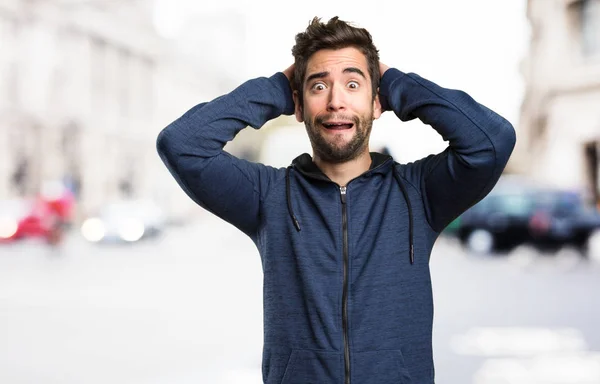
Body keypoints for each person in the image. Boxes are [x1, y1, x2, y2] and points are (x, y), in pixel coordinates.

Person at [157, 16, 516, 384]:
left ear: (377, 102)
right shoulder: (268, 197)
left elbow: (492, 141)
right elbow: (182, 144)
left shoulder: (419, 192)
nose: (335, 101)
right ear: (299, 106)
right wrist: (281, 86)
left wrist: (394, 82)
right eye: (318, 87)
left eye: (352, 83)